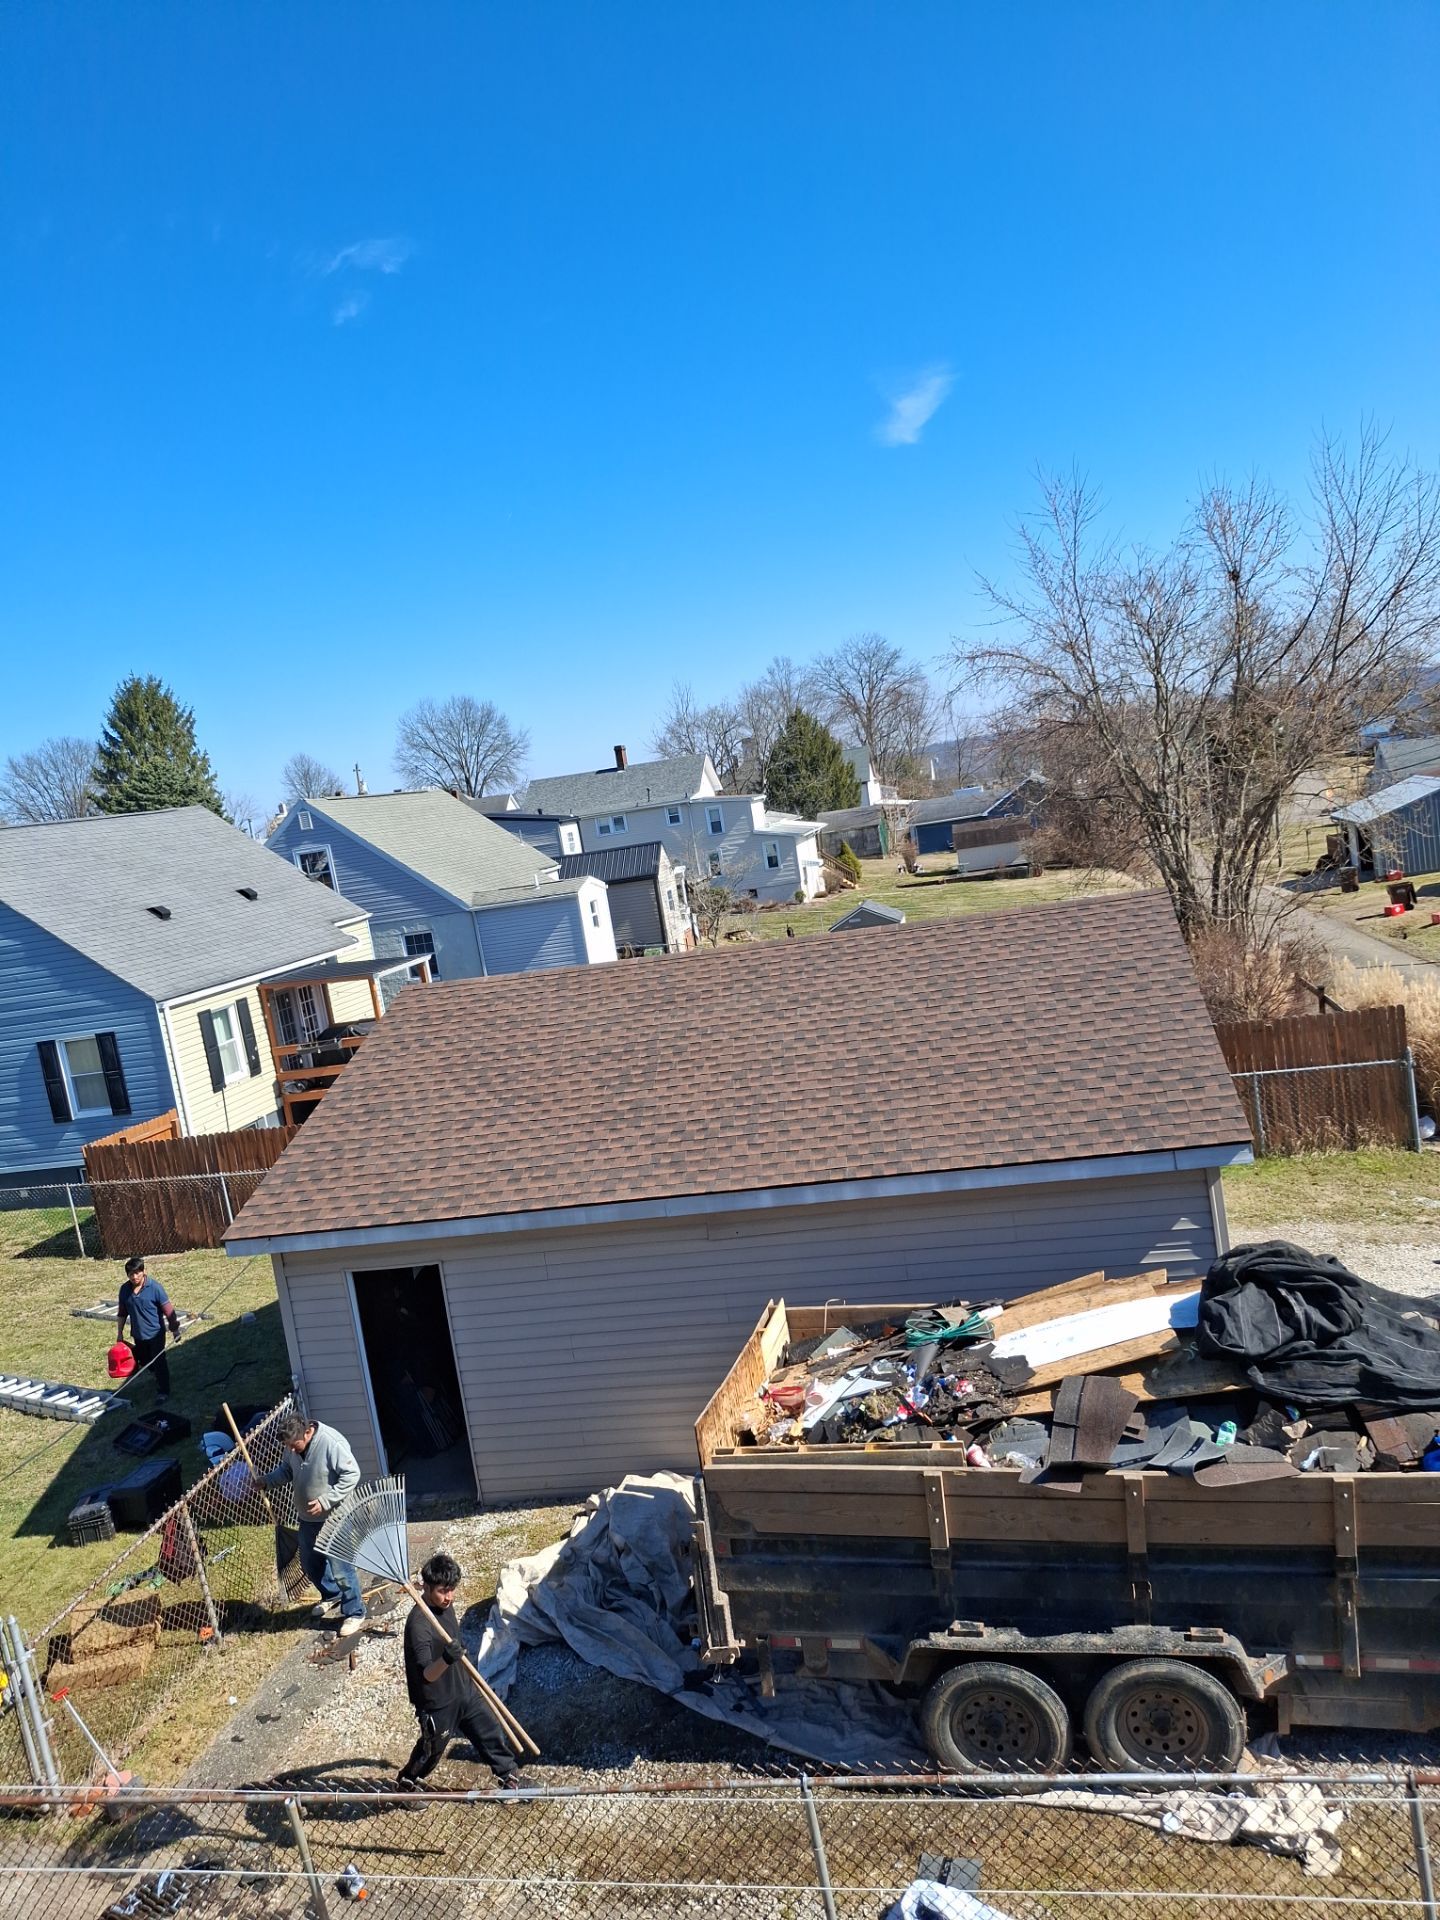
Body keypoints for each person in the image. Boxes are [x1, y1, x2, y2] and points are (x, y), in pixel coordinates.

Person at [397, 1553, 523, 1792]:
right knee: (431, 1749)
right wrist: (446, 1658)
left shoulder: (447, 1605)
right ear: (427, 1586)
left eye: (452, 1589)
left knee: (489, 1730)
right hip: (437, 1701)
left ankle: (509, 1777)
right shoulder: (419, 1625)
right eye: (443, 1591)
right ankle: (407, 1784)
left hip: (463, 1688)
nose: (449, 1597)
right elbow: (427, 1674)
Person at [261, 1410, 367, 1638]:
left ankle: (355, 1612)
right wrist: (267, 1481)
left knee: (341, 1569)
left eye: (294, 1444)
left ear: (308, 1432)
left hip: (335, 1517)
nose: (290, 1449)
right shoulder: (292, 1446)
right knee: (310, 1563)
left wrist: (326, 1500)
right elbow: (287, 1470)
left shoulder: (331, 1442)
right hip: (308, 1519)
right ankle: (331, 1595)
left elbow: (352, 1474)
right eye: (287, 1445)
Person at [115, 1256, 182, 1402]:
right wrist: (119, 1333)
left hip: (156, 1334)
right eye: (131, 1274)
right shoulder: (125, 1290)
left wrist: (175, 1329)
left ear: (143, 1271)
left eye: (137, 1273)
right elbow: (122, 1313)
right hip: (138, 1335)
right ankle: (155, 1374)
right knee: (145, 1361)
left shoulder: (155, 1288)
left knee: (159, 1362)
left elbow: (168, 1310)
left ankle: (163, 1391)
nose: (134, 1277)